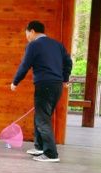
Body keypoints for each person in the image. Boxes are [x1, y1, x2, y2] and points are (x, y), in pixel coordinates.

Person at [10, 20, 72, 163]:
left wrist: (15, 82)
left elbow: (25, 65)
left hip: (44, 85)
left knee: (42, 119)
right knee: (41, 115)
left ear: (32, 31)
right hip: (56, 86)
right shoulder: (57, 45)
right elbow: (68, 62)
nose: (27, 36)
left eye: (26, 33)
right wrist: (65, 78)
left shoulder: (33, 45)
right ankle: (40, 147)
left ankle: (51, 154)